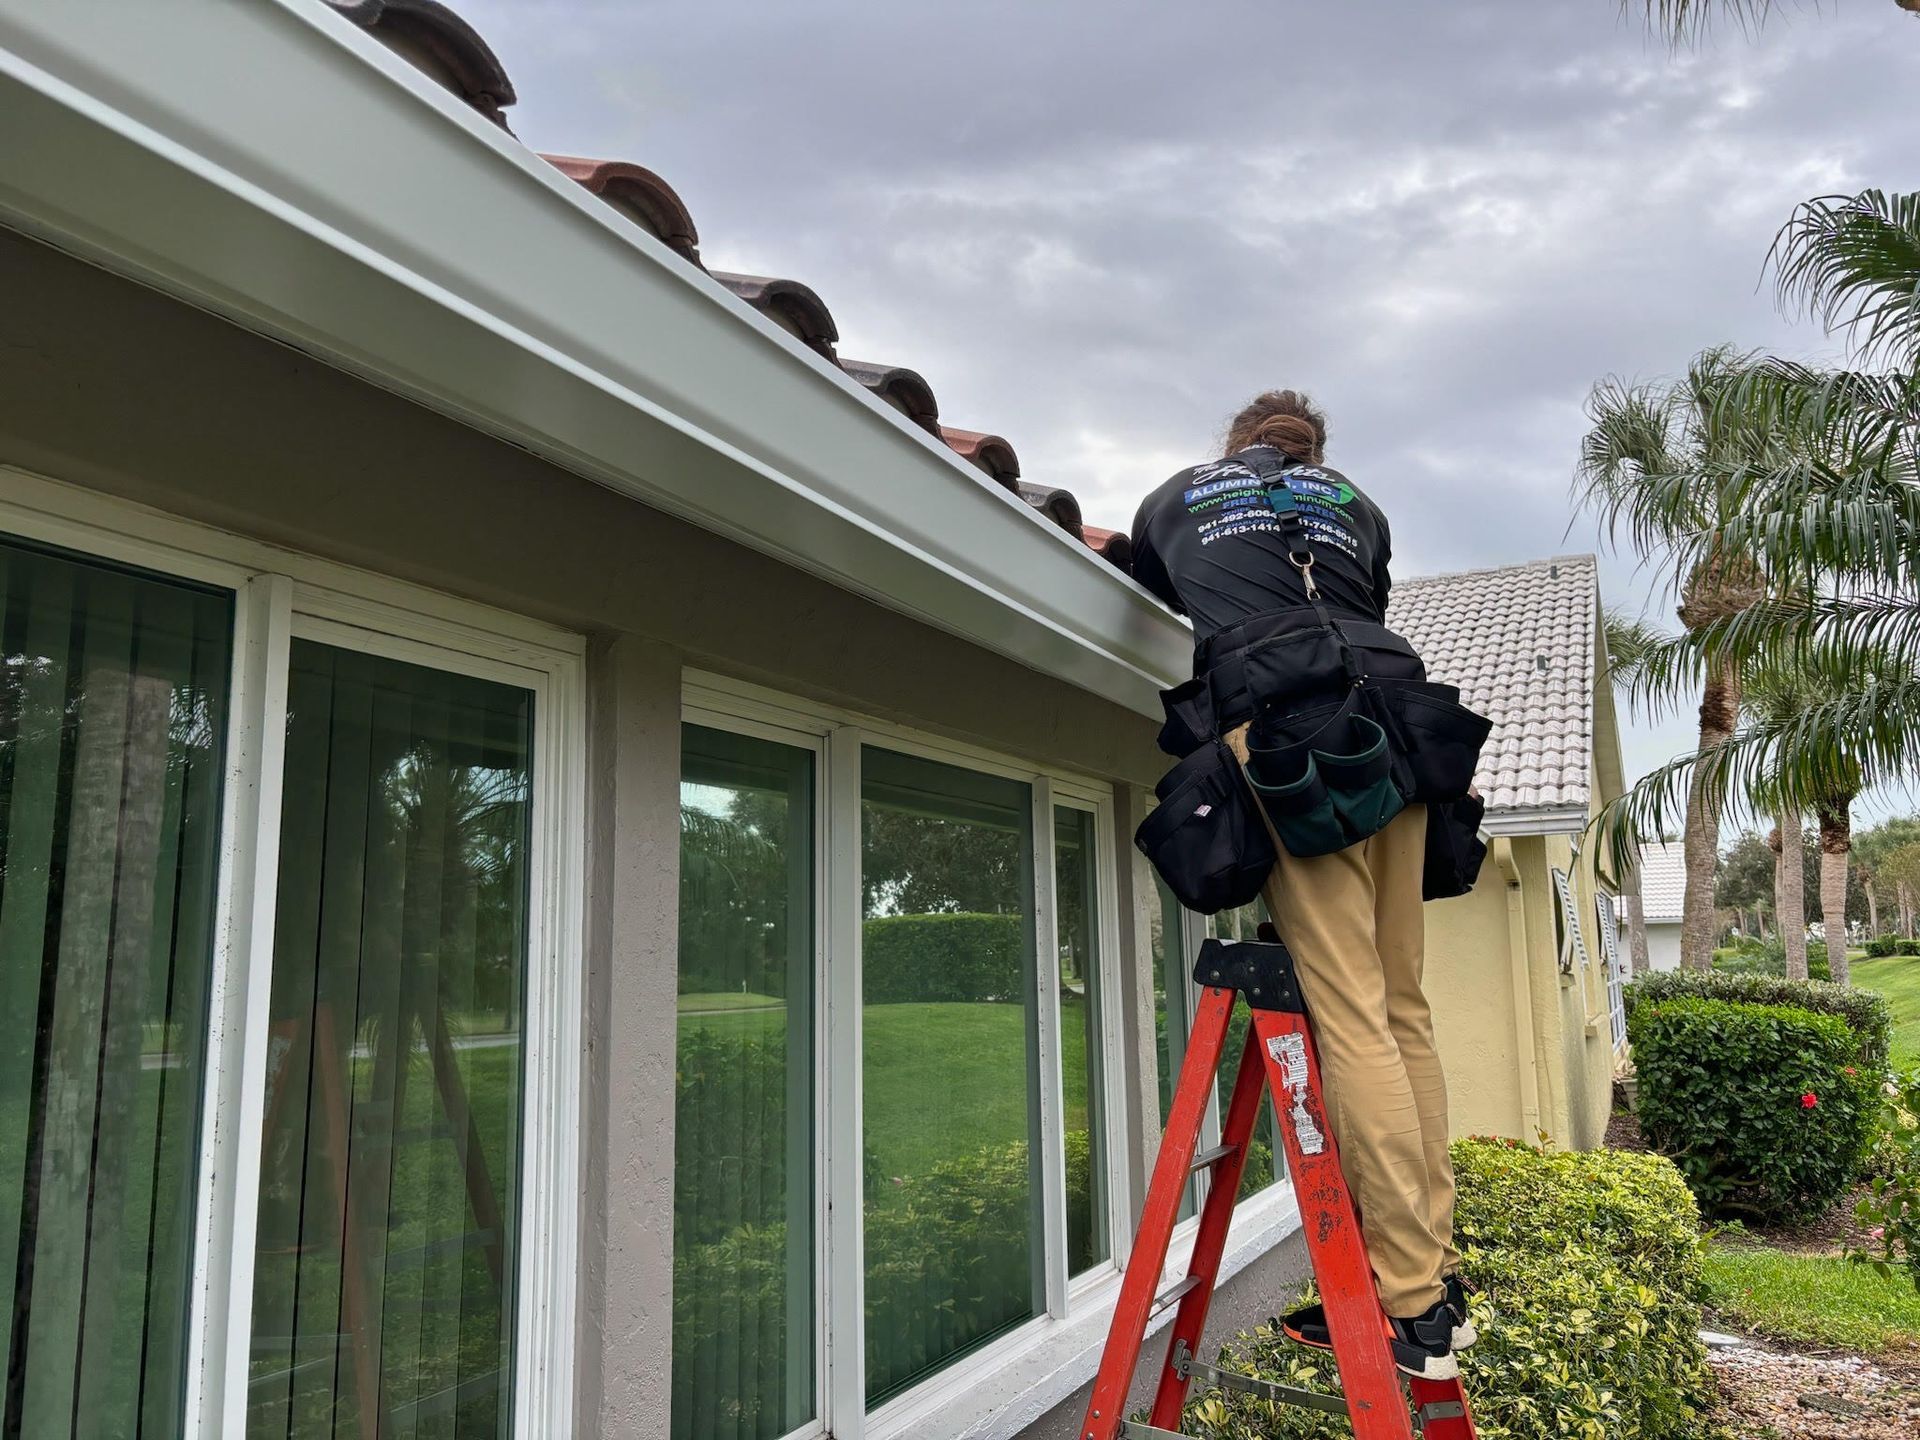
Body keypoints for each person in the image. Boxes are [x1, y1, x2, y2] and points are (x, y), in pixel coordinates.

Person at [1129, 390, 1475, 1381]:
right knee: (1402, 1003)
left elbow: (1149, 582)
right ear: (1316, 452)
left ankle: (1407, 1307)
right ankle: (1435, 1279)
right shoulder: (1357, 502)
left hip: (1293, 730)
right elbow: (1363, 604)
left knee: (1352, 1008)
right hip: (1405, 726)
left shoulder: (1180, 494)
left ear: (1234, 444)